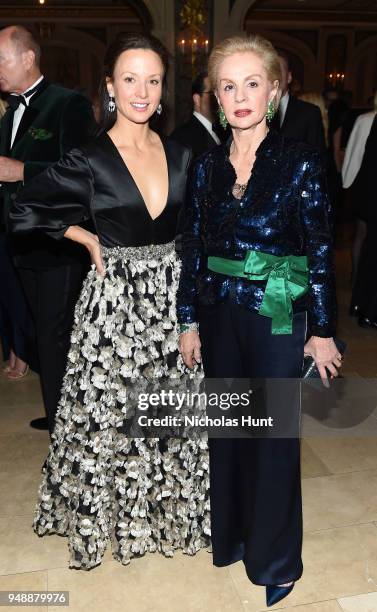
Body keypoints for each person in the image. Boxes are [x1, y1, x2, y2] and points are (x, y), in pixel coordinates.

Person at [10, 32, 210, 570]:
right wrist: (82, 236)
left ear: (163, 90)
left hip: (170, 301)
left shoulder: (182, 153)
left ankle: (165, 509)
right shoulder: (90, 158)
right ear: (110, 87)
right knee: (111, 415)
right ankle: (115, 515)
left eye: (152, 79)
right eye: (129, 78)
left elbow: (196, 232)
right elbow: (23, 209)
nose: (141, 91)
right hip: (115, 305)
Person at [177, 34, 340, 608]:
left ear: (273, 90)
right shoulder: (206, 165)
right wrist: (187, 319)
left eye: (252, 83)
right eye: (228, 86)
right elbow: (192, 243)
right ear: (215, 97)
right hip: (219, 308)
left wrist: (321, 330)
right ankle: (237, 536)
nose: (240, 96)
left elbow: (319, 247)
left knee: (272, 438)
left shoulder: (300, 159)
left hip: (276, 303)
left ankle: (276, 559)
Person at [0, 25, 95, 431]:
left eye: (1, 60)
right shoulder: (9, 112)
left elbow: (80, 169)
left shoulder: (67, 104)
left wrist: (21, 171)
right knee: (42, 331)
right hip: (21, 239)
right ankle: (58, 412)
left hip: (60, 239)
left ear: (28, 58)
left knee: (56, 335)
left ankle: (66, 431)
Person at [342, 94, 377, 317]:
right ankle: (358, 287)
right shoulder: (366, 120)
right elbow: (353, 155)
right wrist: (348, 186)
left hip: (368, 189)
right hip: (367, 188)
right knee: (363, 237)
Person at [271, 51, 326, 153]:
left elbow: (317, 157)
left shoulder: (309, 113)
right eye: (269, 70)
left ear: (289, 77)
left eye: (277, 70)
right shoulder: (251, 110)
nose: (273, 75)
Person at [170, 71, 220, 158]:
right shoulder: (182, 137)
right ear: (197, 99)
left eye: (219, 94)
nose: (218, 99)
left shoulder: (223, 131)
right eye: (212, 94)